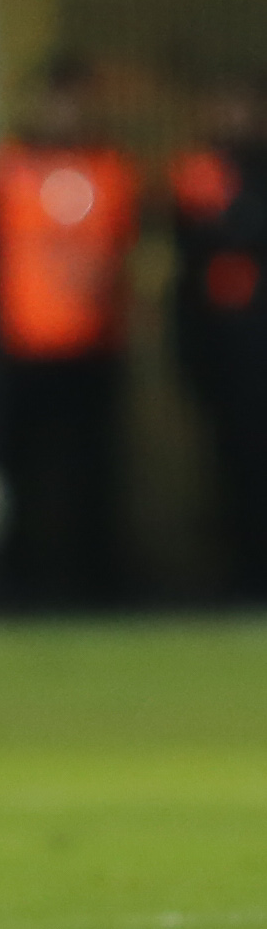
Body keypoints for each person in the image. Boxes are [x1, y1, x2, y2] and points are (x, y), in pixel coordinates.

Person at [0, 63, 138, 609]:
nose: (65, 115)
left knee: (93, 473)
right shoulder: (5, 168)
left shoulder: (111, 168)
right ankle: (17, 588)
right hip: (21, 347)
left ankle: (95, 587)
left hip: (94, 347)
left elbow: (124, 250)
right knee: (20, 474)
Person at [171, 78, 267, 599]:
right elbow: (205, 244)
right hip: (229, 348)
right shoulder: (200, 172)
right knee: (235, 465)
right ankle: (242, 575)